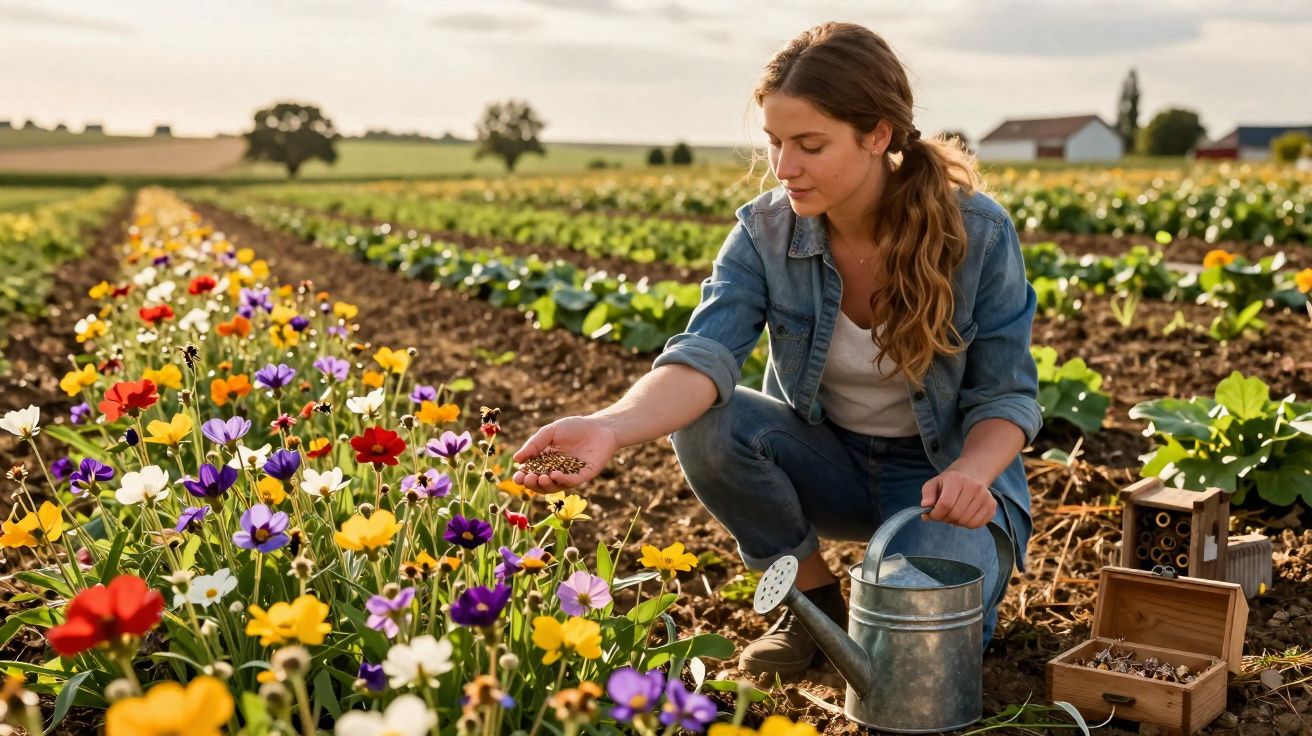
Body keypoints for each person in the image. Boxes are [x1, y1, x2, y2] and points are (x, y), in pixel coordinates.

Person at [511, 21, 1040, 679]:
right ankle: (810, 603)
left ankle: (922, 591)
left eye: (810, 145)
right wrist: (609, 427)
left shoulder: (977, 234)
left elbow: (1005, 393)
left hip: (943, 485)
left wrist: (973, 474)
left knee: (912, 661)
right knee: (708, 420)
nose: (784, 167)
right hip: (830, 460)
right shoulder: (765, 233)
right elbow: (701, 355)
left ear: (878, 135)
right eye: (775, 143)